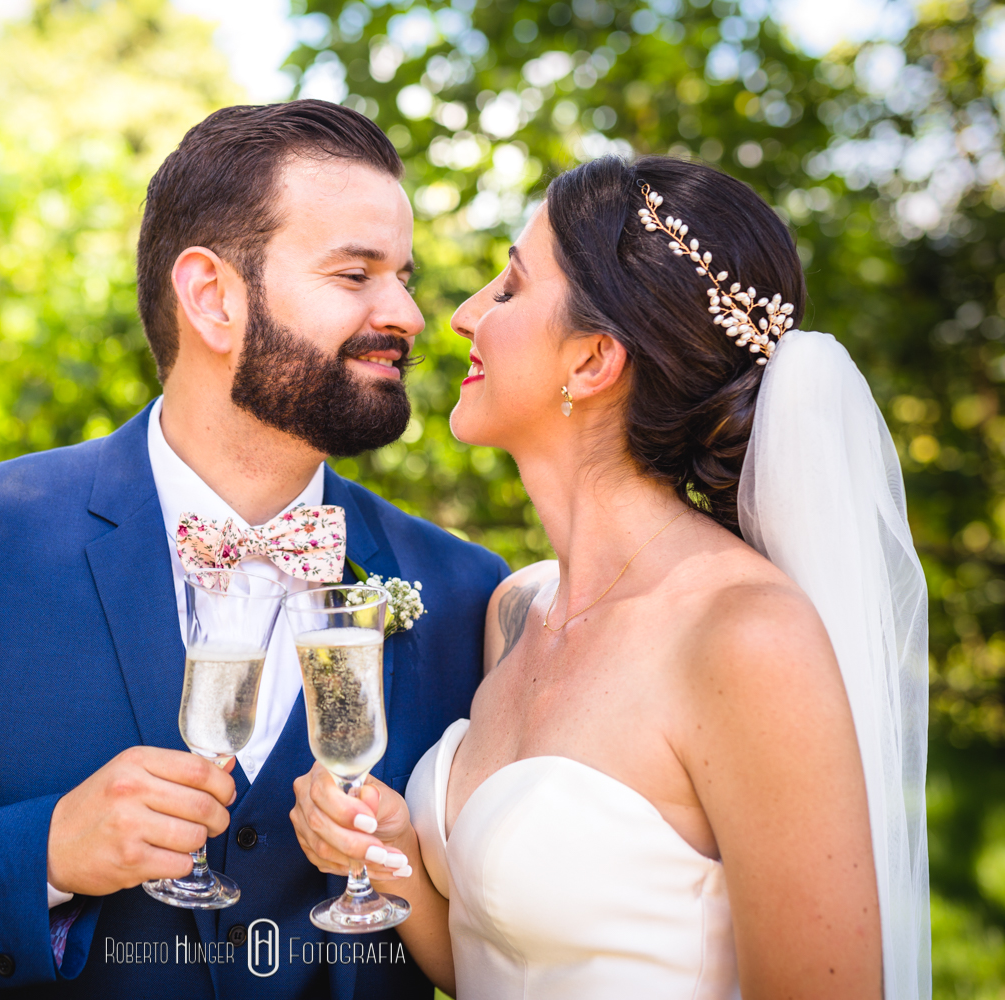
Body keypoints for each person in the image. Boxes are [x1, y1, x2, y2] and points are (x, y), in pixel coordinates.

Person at [0, 99, 507, 999]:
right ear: (212, 297)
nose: (410, 314)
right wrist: (50, 853)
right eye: (356, 274)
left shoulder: (468, 592)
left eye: (403, 276)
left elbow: (503, 942)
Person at [290, 155, 930, 999]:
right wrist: (395, 852)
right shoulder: (516, 610)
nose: (460, 316)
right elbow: (501, 957)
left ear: (593, 361)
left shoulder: (746, 637)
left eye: (509, 290)